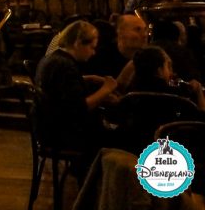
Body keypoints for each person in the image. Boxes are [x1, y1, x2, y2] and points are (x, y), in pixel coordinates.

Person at [35, 20, 118, 178]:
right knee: (121, 137)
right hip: (63, 135)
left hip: (47, 128)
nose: (93, 53)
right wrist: (107, 89)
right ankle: (96, 184)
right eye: (91, 47)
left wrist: (85, 79)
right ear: (78, 42)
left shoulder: (53, 59)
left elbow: (58, 88)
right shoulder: (66, 66)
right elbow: (79, 109)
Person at [128, 45, 205, 109]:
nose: (173, 72)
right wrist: (199, 92)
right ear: (159, 70)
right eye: (168, 66)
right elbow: (199, 121)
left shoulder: (130, 95)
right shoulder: (175, 96)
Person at [85, 13, 148, 87]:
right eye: (137, 29)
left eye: (145, 30)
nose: (144, 35)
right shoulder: (101, 58)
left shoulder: (149, 57)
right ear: (120, 33)